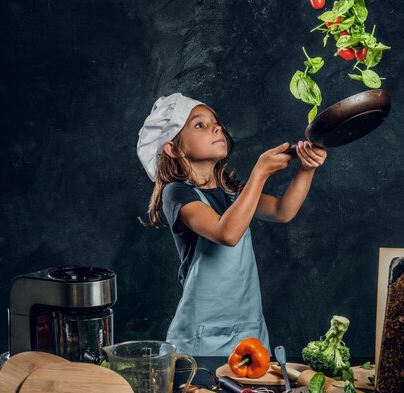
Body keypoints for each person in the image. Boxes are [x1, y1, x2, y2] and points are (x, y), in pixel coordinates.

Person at [136, 93, 326, 356]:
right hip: (202, 341)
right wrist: (260, 172)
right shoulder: (176, 193)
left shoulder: (233, 192)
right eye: (199, 125)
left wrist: (307, 168)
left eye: (216, 123)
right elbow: (227, 232)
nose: (217, 127)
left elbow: (283, 211)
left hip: (249, 333)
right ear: (174, 148)